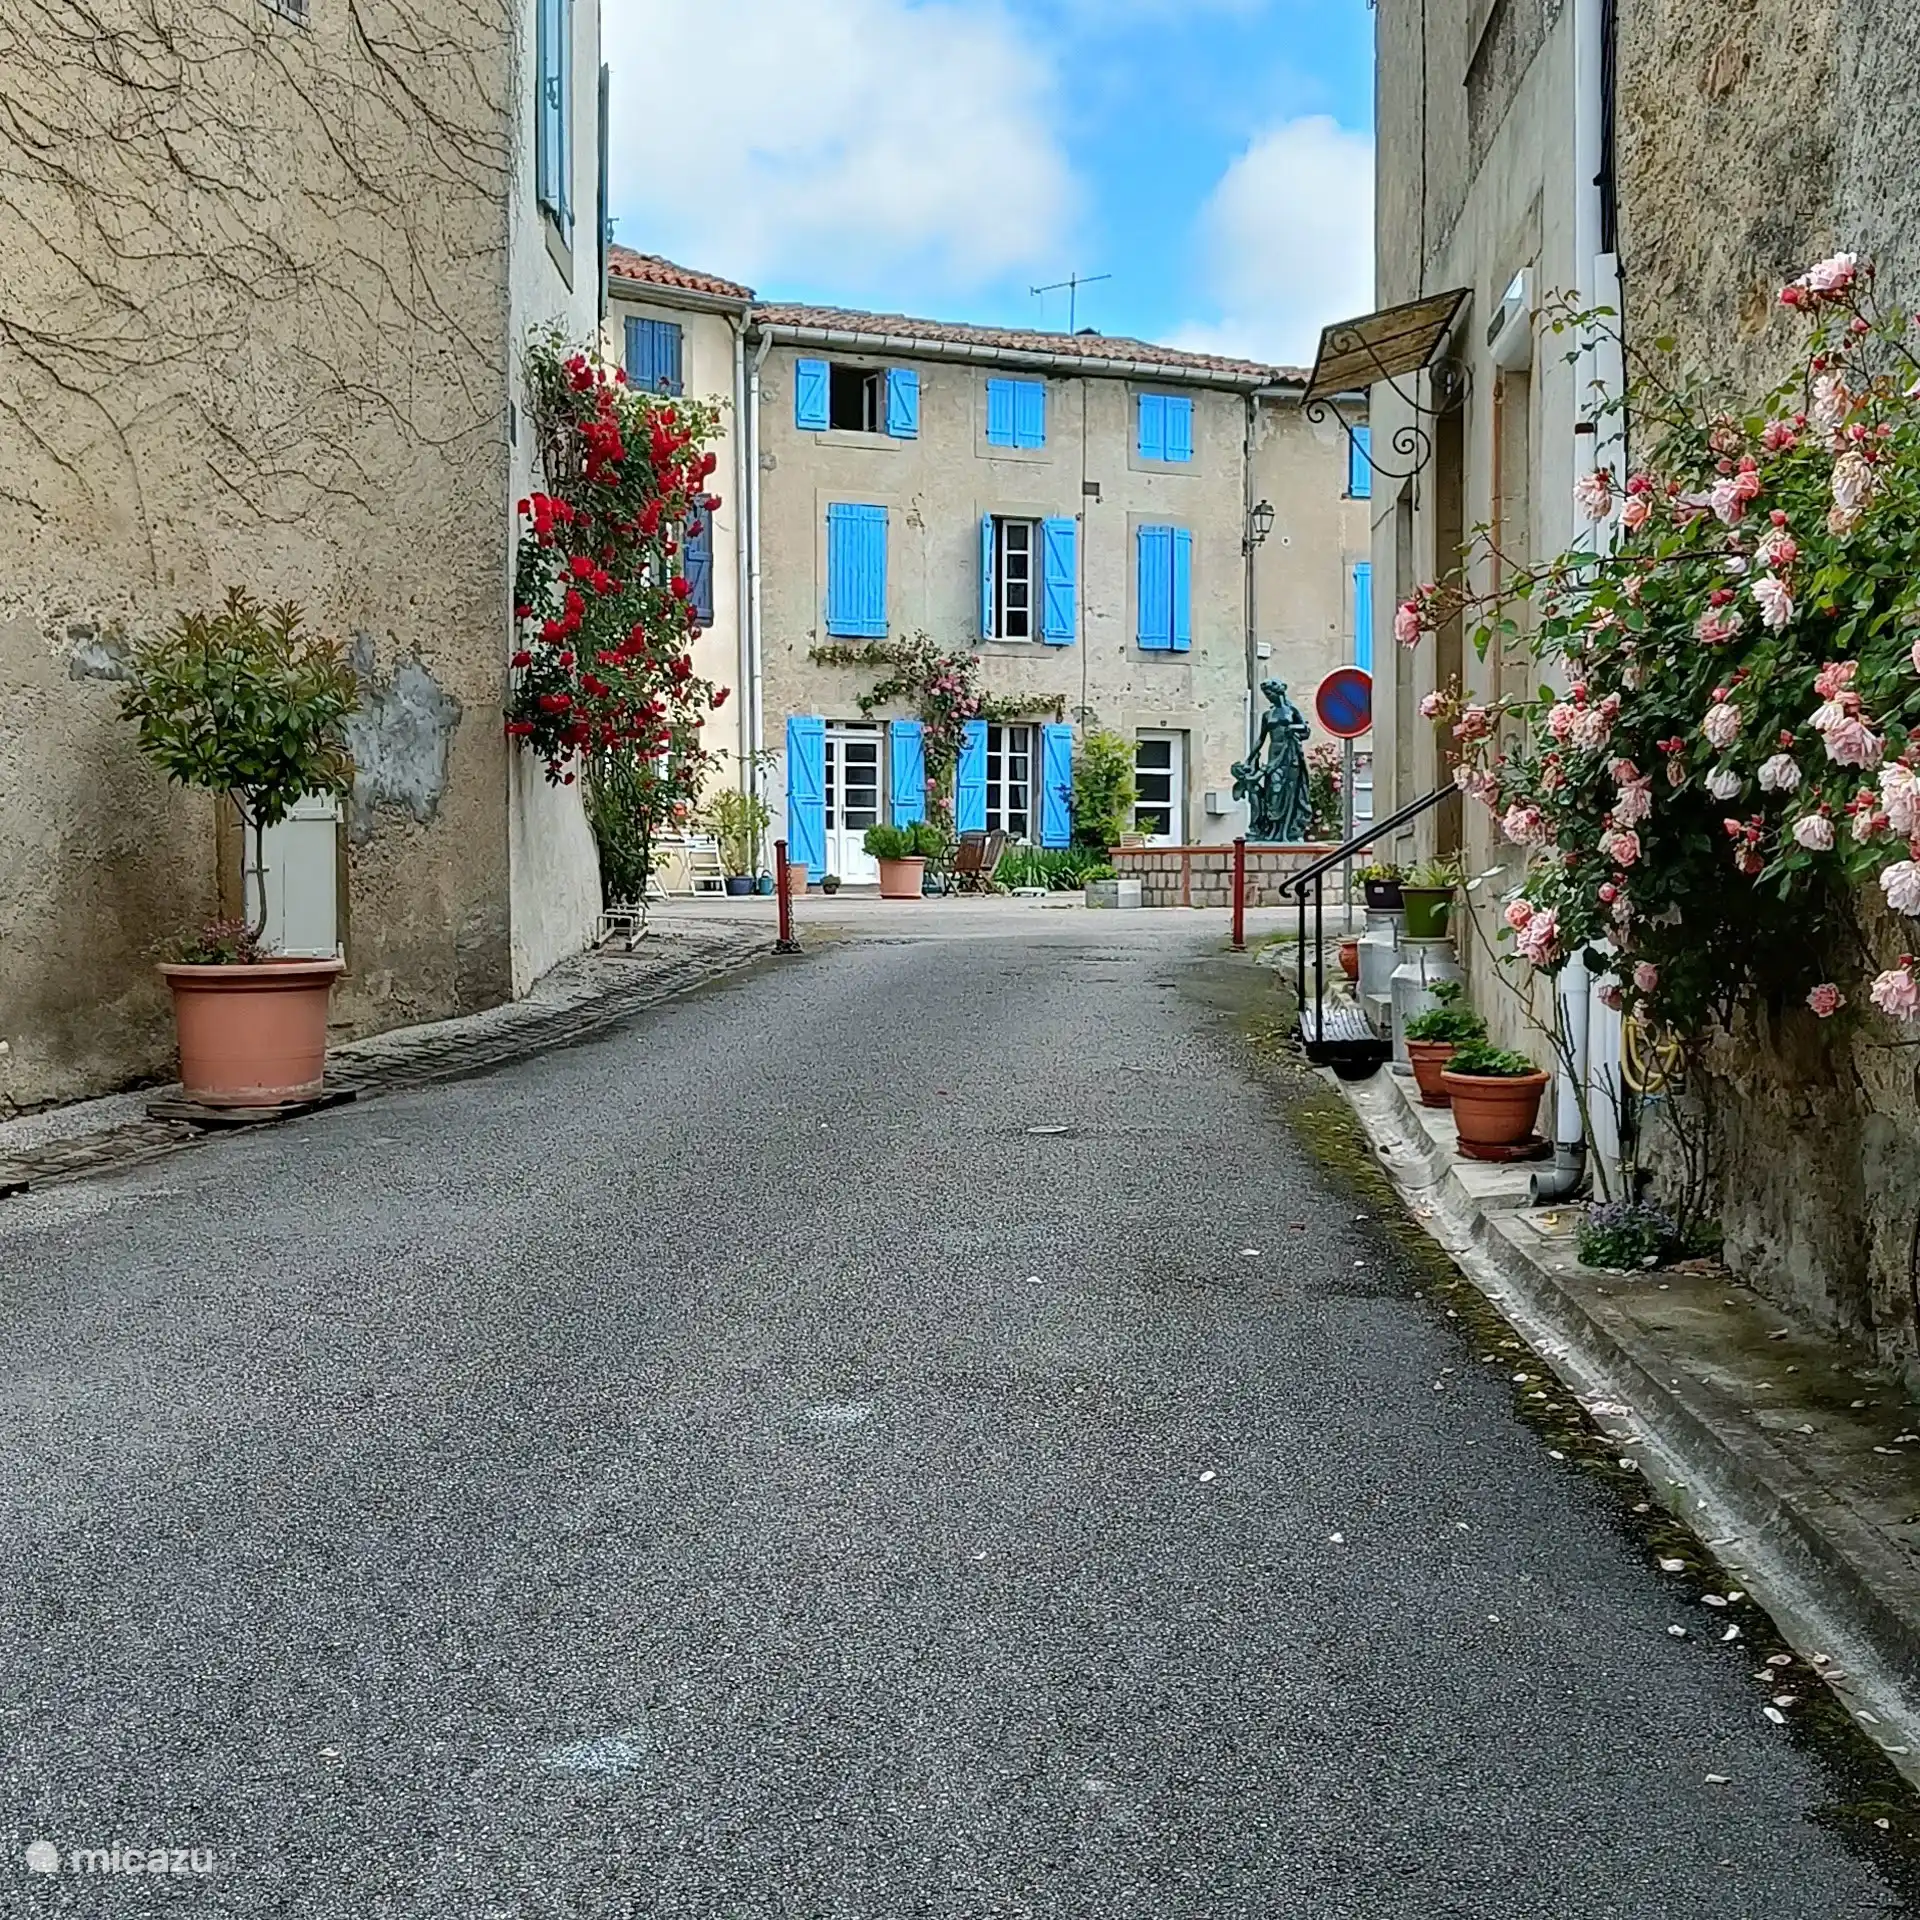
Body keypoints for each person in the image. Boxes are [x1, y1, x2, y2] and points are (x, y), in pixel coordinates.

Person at [1231, 679, 1314, 842]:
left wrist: (1293, 728)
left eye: (1269, 694)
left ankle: (1286, 832)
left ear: (1278, 693)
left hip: (1290, 755)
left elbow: (1305, 729)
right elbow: (1261, 739)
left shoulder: (1292, 711)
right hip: (1273, 755)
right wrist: (1249, 759)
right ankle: (1272, 830)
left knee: (1290, 791)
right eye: (1266, 695)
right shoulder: (1267, 715)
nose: (1268, 697)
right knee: (1273, 792)